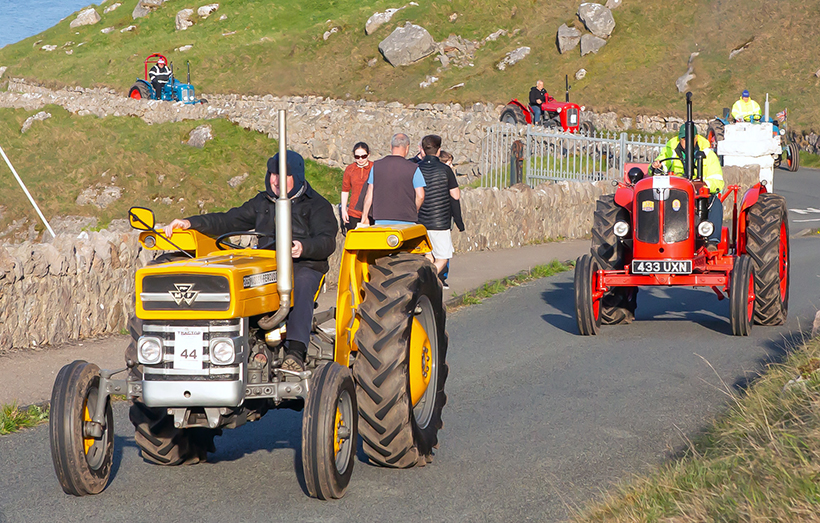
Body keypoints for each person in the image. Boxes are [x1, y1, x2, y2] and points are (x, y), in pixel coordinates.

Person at [162, 151, 337, 371]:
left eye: (282, 174)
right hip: (267, 263)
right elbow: (227, 219)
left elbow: (327, 241)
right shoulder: (262, 202)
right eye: (272, 174)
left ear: (297, 176)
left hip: (305, 264)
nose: (275, 180)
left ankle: (295, 352)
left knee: (300, 283)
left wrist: (303, 247)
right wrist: (190, 222)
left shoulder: (317, 205)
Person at [651, 125, 724, 250]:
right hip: (674, 192)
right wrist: (656, 166)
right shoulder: (670, 150)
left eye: (689, 139)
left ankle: (712, 241)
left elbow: (718, 181)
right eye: (684, 139)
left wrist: (704, 184)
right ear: (679, 139)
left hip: (698, 194)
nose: (686, 142)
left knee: (715, 203)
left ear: (696, 138)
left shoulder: (708, 154)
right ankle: (655, 237)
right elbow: (661, 163)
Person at [417, 137, 463, 287]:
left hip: (419, 221)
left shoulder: (416, 168)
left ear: (422, 150)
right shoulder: (446, 170)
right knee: (443, 257)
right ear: (438, 150)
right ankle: (423, 281)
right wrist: (459, 221)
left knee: (428, 255)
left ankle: (425, 280)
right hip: (440, 222)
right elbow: (455, 197)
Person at [360, 133, 426, 225]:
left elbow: (369, 194)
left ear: (391, 147)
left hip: (381, 220)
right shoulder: (413, 168)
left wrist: (364, 216)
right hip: (407, 221)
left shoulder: (377, 166)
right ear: (407, 147)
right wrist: (414, 210)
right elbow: (420, 195)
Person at [340, 142, 372, 233]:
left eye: (363, 156)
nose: (360, 159)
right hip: (354, 212)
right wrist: (343, 210)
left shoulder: (374, 167)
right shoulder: (350, 169)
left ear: (368, 154)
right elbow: (345, 190)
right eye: (357, 157)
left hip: (371, 212)